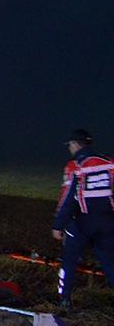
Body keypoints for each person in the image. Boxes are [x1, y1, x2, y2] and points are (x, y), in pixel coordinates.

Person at [52, 129, 114, 309]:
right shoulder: (109, 162)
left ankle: (64, 300)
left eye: (70, 145)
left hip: (81, 222)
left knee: (69, 261)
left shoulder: (74, 166)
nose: (69, 148)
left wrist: (58, 225)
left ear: (76, 144)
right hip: (106, 222)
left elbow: (67, 198)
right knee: (109, 261)